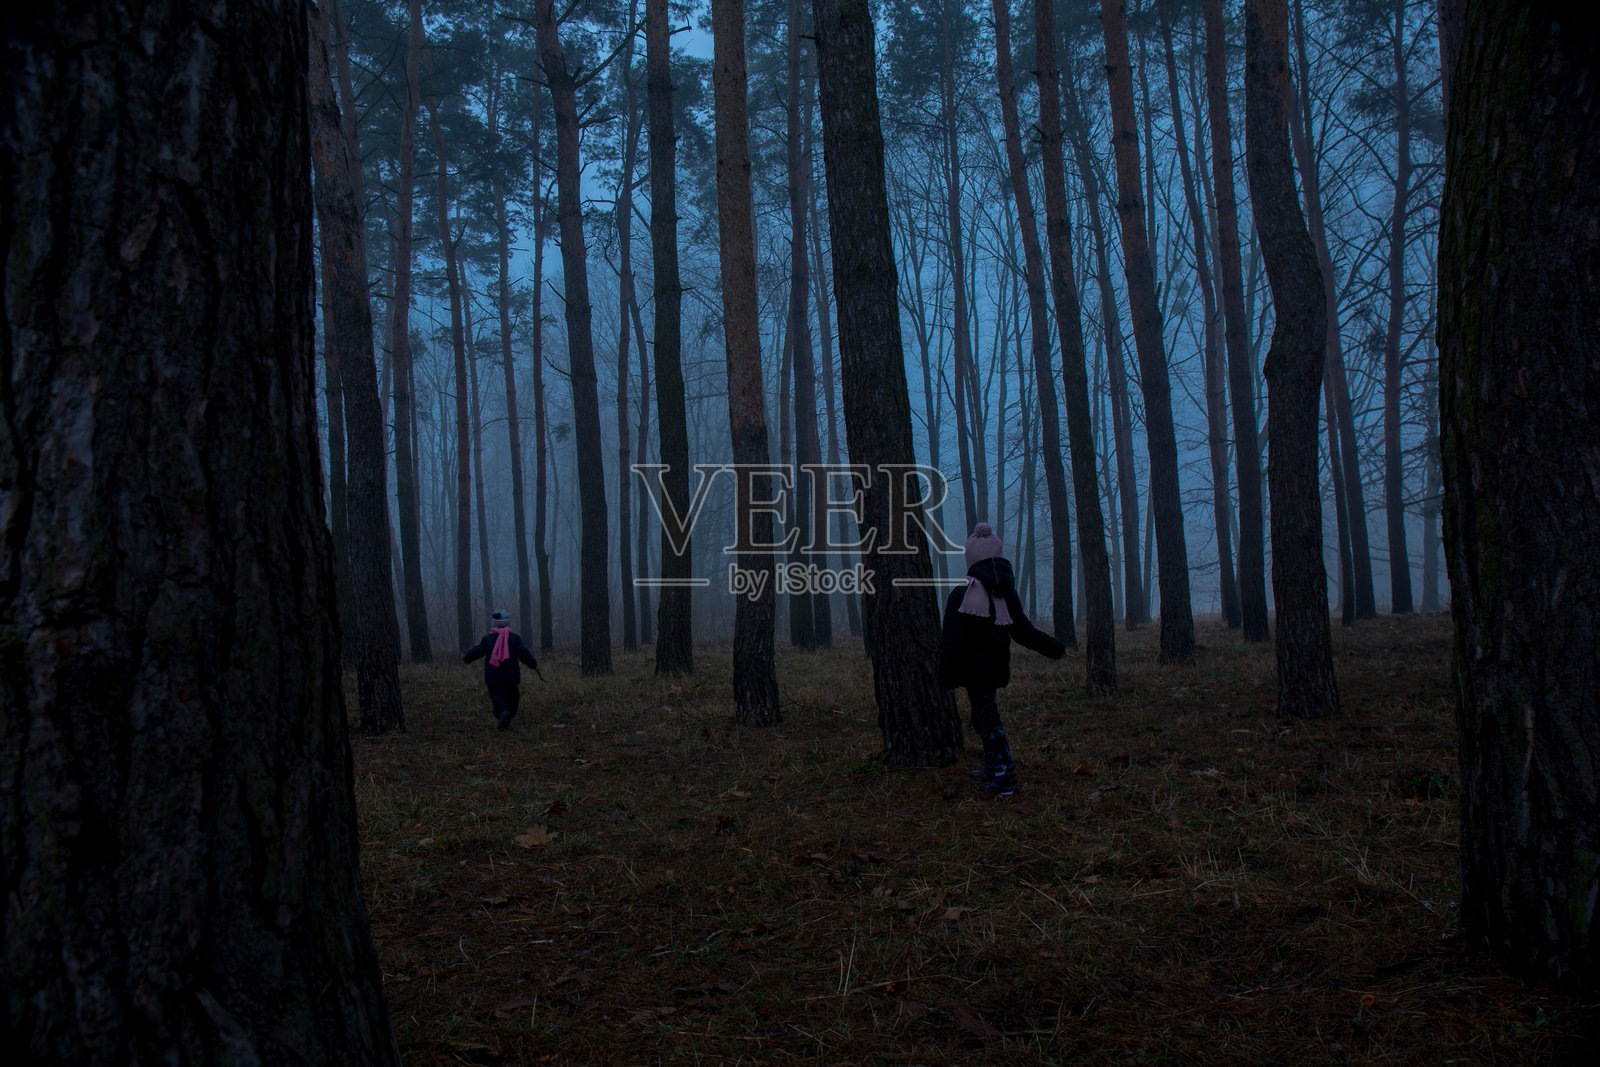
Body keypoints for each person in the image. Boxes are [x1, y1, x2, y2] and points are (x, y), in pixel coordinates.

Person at [937, 522, 1065, 796]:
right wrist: (1054, 648)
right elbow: (1024, 632)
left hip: (975, 674)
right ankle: (994, 766)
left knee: (989, 722)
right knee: (984, 720)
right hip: (993, 671)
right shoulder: (1006, 595)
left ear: (971, 562)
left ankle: (1005, 778)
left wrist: (946, 677)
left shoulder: (961, 595)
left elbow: (951, 641)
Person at [463, 609, 542, 730]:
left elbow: (477, 651)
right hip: (511, 678)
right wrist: (533, 664)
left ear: (493, 624)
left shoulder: (487, 639)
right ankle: (506, 717)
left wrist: (467, 658)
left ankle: (503, 715)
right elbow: (523, 653)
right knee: (513, 700)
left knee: (498, 700)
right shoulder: (514, 638)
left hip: (493, 679)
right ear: (508, 623)